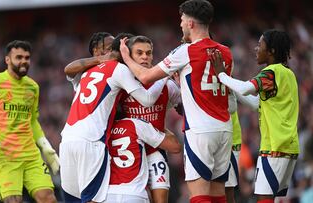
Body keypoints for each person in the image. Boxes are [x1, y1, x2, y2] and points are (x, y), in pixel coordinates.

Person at [120, 0, 233, 202]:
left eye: (182, 20)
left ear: (190, 23)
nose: (180, 24)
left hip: (200, 130)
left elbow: (146, 77)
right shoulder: (225, 51)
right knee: (218, 195)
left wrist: (126, 58)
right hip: (224, 128)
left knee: (199, 195)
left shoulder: (185, 51)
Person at [59, 33, 168, 203]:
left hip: (67, 139)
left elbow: (68, 69)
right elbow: (147, 100)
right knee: (92, 199)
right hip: (92, 141)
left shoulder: (87, 72)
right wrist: (165, 76)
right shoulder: (119, 69)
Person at [0, 40, 59, 203]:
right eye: (18, 57)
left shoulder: (33, 87)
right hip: (3, 156)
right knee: (14, 201)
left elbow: (33, 120)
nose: (23, 61)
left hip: (30, 155)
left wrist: (45, 145)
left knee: (48, 198)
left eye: (27, 58)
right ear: (7, 60)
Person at [209, 29, 299, 203]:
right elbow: (257, 103)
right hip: (289, 146)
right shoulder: (288, 74)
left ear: (271, 50)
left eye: (260, 45)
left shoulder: (271, 72)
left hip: (274, 147)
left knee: (264, 199)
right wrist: (231, 86)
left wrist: (221, 75)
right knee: (272, 198)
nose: (256, 49)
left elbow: (245, 88)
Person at [120, 35, 181, 203]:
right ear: (129, 56)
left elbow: (181, 104)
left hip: (156, 151)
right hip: (130, 154)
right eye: (139, 53)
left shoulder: (168, 86)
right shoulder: (121, 85)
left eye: (148, 53)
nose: (145, 57)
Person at [104, 118, 181, 203]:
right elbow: (175, 147)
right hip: (134, 194)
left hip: (106, 195)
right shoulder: (135, 124)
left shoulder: (99, 130)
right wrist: (160, 126)